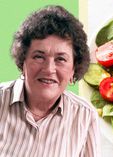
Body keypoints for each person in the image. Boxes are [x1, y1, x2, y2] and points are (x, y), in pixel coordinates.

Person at [0, 5, 100, 157]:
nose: (49, 69)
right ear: (23, 60)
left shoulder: (85, 116)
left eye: (61, 59)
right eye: (39, 56)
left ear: (74, 68)